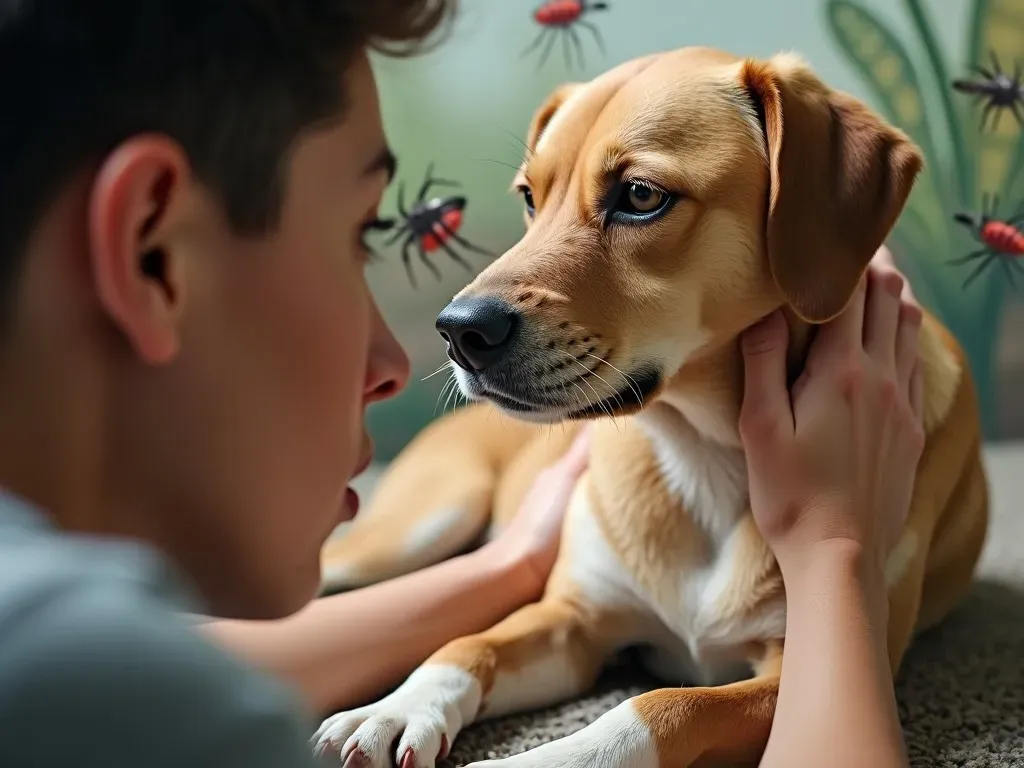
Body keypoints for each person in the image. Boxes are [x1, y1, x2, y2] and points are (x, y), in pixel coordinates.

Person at [0, 0, 922, 766]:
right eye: (360, 231)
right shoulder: (142, 704)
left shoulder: (71, 648)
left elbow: (188, 660)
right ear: (150, 253)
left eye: (637, 197)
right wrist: (834, 544)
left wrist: (510, 571)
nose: (455, 319)